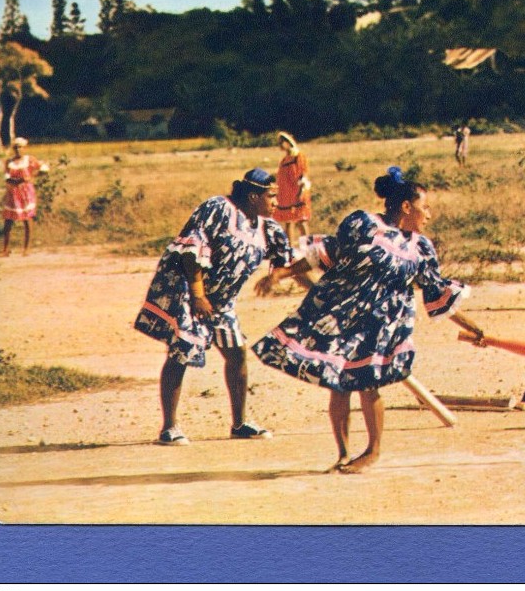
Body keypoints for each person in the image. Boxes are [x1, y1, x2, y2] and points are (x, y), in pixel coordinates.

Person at [252, 167, 487, 473]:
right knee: (337, 384)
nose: (428, 214)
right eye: (424, 207)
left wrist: (474, 328)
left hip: (382, 328)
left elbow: (437, 295)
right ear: (406, 207)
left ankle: (372, 451)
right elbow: (326, 254)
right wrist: (282, 273)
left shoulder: (420, 249)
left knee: (368, 385)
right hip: (344, 317)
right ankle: (343, 454)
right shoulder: (363, 225)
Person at [134, 168, 310, 445]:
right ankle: (169, 428)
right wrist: (197, 295)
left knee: (237, 353)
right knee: (181, 351)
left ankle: (239, 424)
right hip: (192, 295)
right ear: (253, 196)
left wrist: (314, 291)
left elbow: (290, 264)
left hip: (222, 304)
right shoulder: (218, 209)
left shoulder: (267, 228)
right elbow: (192, 250)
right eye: (271, 197)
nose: (276, 202)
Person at [0, 137, 48, 257]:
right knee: (8, 220)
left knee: (27, 219)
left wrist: (31, 177)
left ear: (24, 148)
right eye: (15, 147)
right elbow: (6, 176)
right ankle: (5, 249)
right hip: (13, 192)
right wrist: (12, 181)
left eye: (20, 147)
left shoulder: (29, 160)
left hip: (26, 192)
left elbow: (44, 169)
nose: (18, 149)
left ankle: (27, 248)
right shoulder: (9, 162)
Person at [272, 131, 312, 245]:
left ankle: (308, 246)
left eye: (281, 142)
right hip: (286, 194)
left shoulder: (298, 156)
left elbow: (303, 174)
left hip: (298, 192)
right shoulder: (285, 160)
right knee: (288, 221)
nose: (280, 145)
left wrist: (301, 191)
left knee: (301, 221)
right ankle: (290, 247)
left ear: (288, 143)